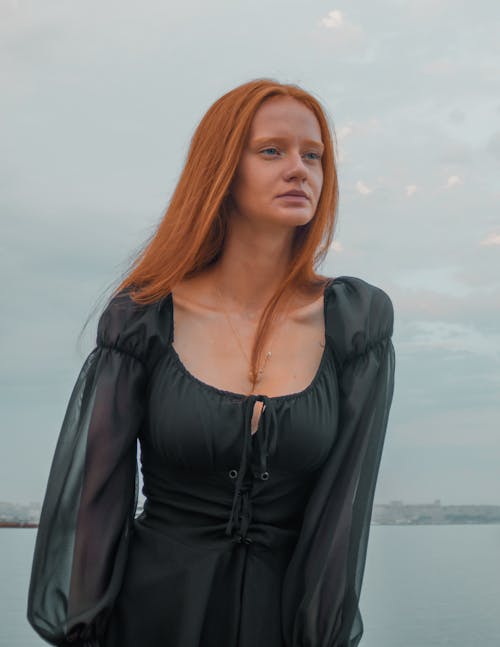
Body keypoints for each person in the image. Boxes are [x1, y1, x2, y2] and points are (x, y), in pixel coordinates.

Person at [27, 78, 396, 647]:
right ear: (221, 168)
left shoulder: (355, 322)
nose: (300, 169)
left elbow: (341, 514)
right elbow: (97, 503)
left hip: (281, 625)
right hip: (149, 618)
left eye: (314, 155)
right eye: (272, 150)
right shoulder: (144, 319)